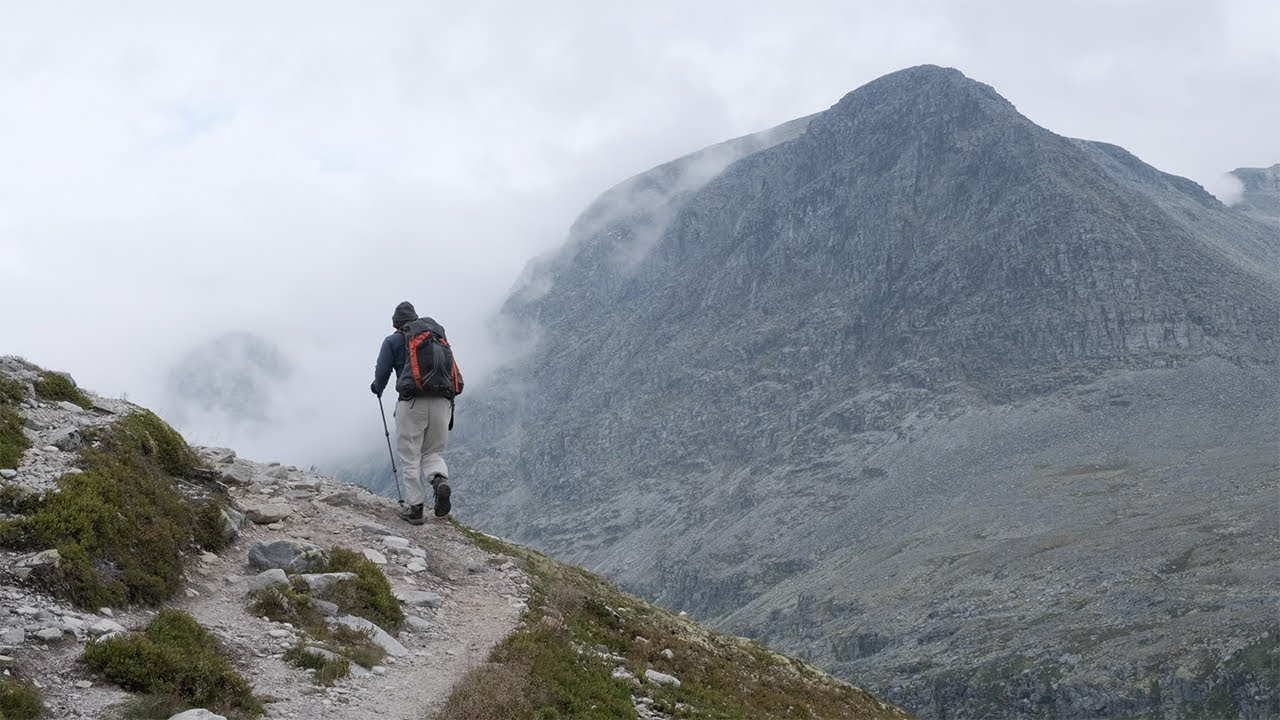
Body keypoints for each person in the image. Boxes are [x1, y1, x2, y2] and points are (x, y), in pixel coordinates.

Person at [370, 301, 454, 524]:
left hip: (412, 403)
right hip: (442, 401)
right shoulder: (435, 338)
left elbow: (382, 371)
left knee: (410, 456)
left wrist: (377, 388)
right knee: (432, 452)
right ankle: (439, 481)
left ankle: (415, 509)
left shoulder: (393, 341)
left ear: (396, 324)